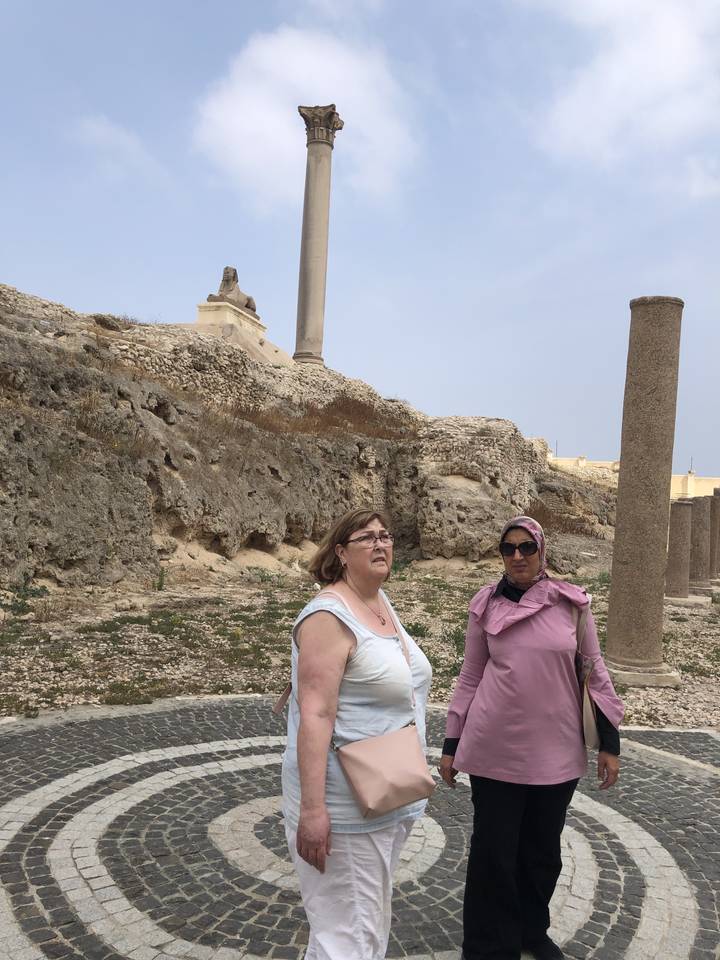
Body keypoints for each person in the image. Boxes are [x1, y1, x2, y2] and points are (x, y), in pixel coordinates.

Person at [439, 516, 624, 960]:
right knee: (493, 855)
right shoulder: (484, 604)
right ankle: (487, 947)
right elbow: (470, 675)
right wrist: (451, 743)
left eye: (526, 547)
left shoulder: (572, 604)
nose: (518, 556)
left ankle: (530, 932)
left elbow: (593, 671)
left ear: (542, 550)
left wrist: (610, 743)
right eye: (508, 549)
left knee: (542, 853)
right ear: (501, 555)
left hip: (556, 750)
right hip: (493, 748)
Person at [281, 507, 433, 960]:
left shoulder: (378, 603)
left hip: (387, 792)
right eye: (366, 537)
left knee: (363, 926)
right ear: (341, 553)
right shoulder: (328, 615)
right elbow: (316, 714)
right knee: (347, 936)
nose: (380, 544)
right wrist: (312, 811)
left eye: (385, 535)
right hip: (344, 804)